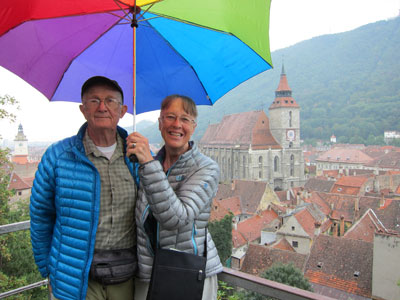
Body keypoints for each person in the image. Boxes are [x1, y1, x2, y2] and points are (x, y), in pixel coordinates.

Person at [30, 76, 138, 300]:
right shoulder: (59, 157)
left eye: (110, 101)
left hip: (127, 274)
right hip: (77, 277)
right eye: (94, 101)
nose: (102, 107)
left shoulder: (138, 157)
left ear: (123, 110)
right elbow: (41, 216)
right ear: (82, 109)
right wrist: (49, 269)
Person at [126, 94, 223, 300]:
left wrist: (147, 164)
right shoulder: (150, 165)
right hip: (149, 272)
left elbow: (176, 219)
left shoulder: (206, 168)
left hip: (187, 273)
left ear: (194, 126)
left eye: (185, 119)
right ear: (160, 123)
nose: (176, 124)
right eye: (170, 117)